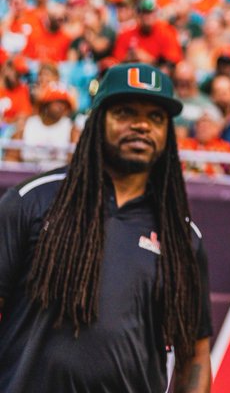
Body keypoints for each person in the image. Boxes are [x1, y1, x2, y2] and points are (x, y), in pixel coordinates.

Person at [0, 62, 212, 391]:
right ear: (98, 121)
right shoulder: (31, 201)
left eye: (156, 117)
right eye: (126, 112)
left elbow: (194, 357)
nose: (142, 125)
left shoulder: (182, 238)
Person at [3, 82, 78, 166]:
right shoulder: (28, 126)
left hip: (58, 176)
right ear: (45, 105)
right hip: (29, 175)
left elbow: (75, 162)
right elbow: (11, 158)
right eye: (57, 102)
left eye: (64, 103)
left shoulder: (71, 129)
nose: (61, 106)